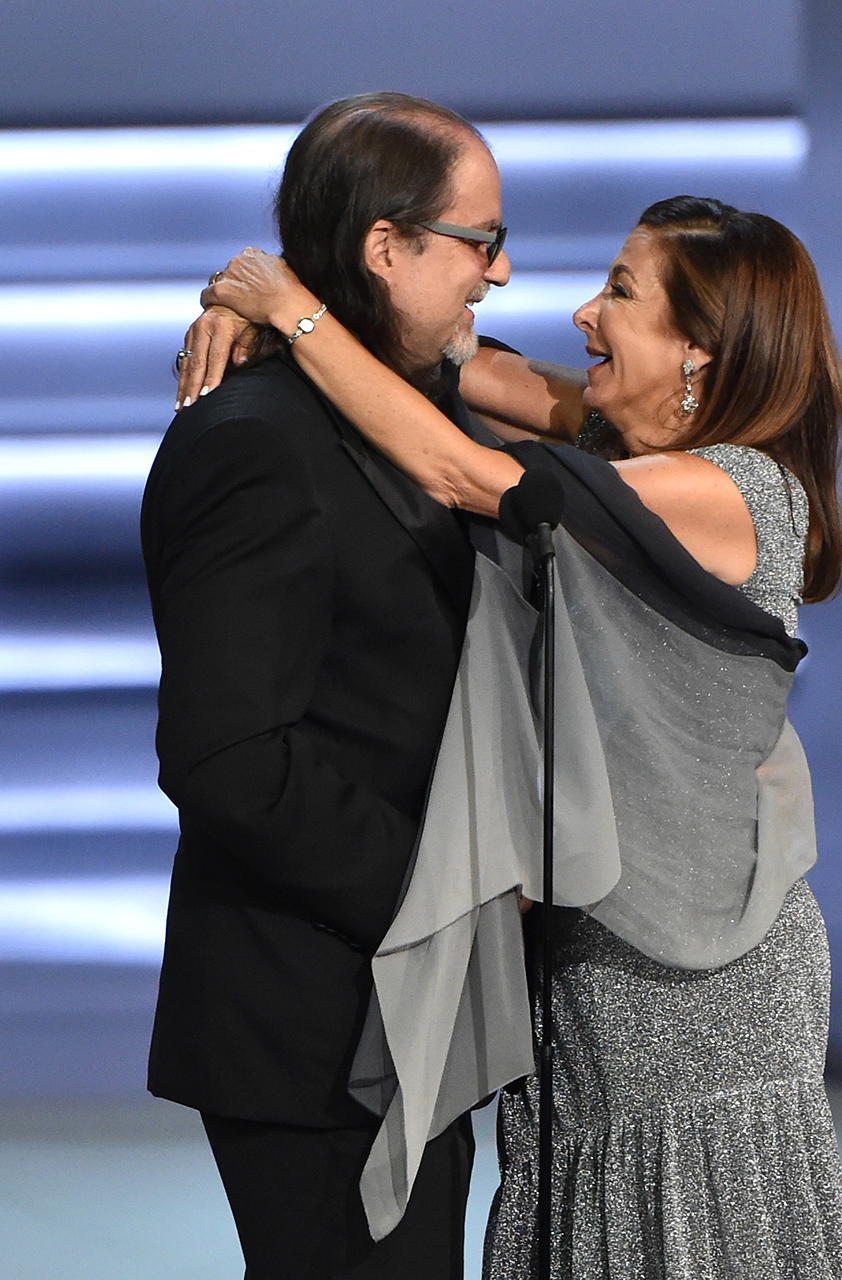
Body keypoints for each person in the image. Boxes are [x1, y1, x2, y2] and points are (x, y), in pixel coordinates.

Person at [189, 194, 842, 1279]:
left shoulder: (730, 490)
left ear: (697, 349)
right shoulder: (613, 449)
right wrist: (269, 306)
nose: (585, 312)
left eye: (621, 293)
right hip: (591, 968)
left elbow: (462, 472)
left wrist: (289, 309)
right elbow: (452, 357)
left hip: (700, 986)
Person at [142, 91, 513, 1280]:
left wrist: (261, 299)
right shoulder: (256, 438)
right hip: (312, 1016)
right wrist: (439, 891)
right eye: (481, 239)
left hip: (403, 1008)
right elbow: (229, 756)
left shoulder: (414, 407)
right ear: (385, 244)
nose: (500, 272)